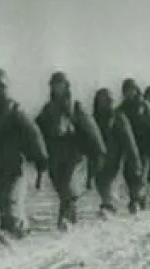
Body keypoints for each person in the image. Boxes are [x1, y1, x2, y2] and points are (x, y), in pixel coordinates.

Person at [0, 68, 48, 239]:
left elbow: (33, 135)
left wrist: (41, 160)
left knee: (11, 200)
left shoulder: (15, 112)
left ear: (3, 87)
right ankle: (15, 228)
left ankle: (16, 229)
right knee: (1, 201)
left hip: (14, 166)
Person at [36, 72, 106, 229]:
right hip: (54, 157)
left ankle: (66, 220)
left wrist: (98, 151)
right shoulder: (48, 109)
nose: (57, 88)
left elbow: (90, 129)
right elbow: (37, 130)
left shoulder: (75, 107)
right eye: (54, 85)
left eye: (60, 84)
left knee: (69, 188)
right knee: (62, 190)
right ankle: (69, 219)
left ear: (66, 86)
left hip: (73, 156)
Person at [88, 88, 141, 217]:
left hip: (115, 154)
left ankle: (109, 204)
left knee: (108, 178)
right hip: (99, 156)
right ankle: (108, 203)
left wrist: (134, 160)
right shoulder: (94, 118)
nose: (106, 103)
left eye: (108, 100)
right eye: (102, 100)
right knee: (100, 180)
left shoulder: (119, 118)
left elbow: (129, 140)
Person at [117, 79, 150, 210]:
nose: (129, 93)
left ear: (136, 90)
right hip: (130, 146)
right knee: (129, 173)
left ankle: (139, 199)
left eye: (131, 90)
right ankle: (138, 198)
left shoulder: (144, 106)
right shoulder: (122, 108)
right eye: (126, 90)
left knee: (141, 173)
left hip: (147, 145)